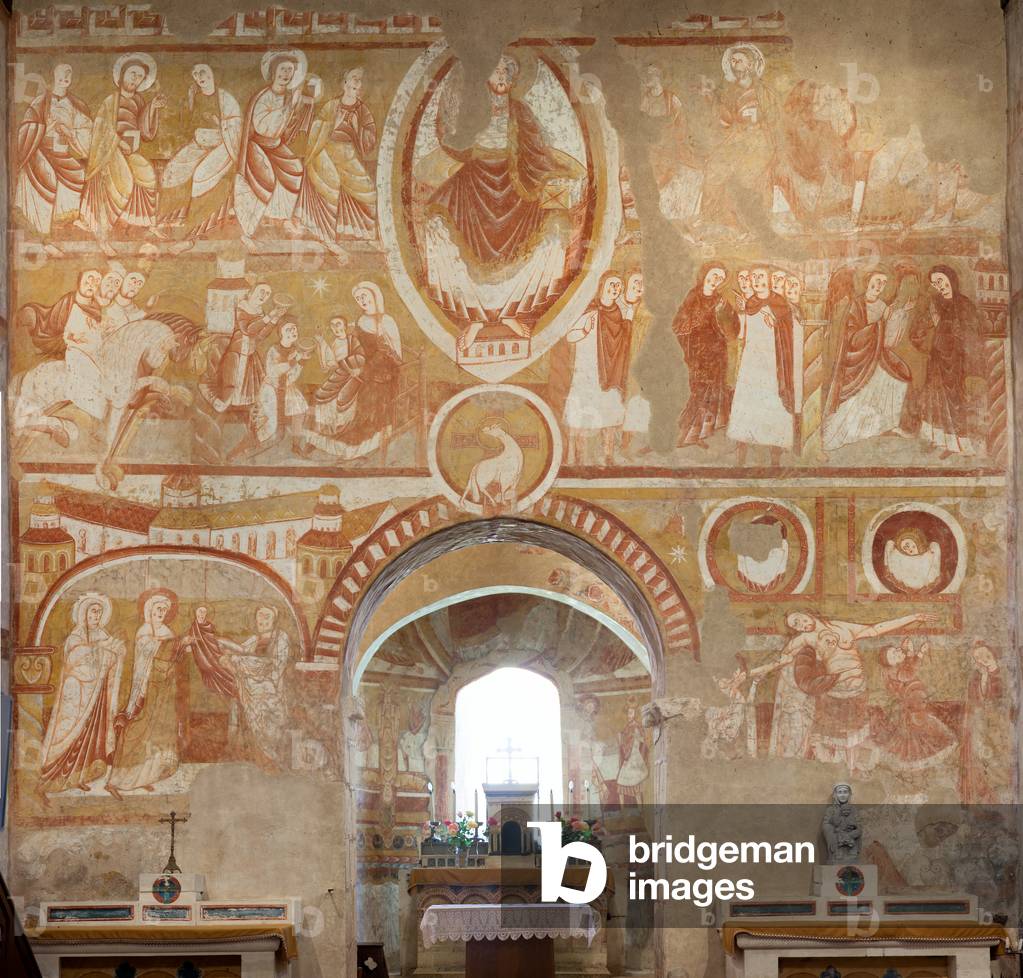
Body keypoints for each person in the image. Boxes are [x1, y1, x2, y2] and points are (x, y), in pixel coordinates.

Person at [419, 53, 582, 341]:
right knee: (434, 220)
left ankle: (513, 312)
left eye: (507, 70)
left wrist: (553, 172)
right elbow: (454, 142)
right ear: (486, 78)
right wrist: (447, 115)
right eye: (496, 71)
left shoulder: (520, 112)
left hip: (517, 184)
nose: (502, 76)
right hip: (472, 184)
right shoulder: (473, 111)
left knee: (557, 223)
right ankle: (473, 317)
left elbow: (537, 151)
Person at [300, 281, 402, 459]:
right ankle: (318, 439)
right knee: (324, 396)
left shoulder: (387, 321)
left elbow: (394, 356)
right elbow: (354, 345)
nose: (362, 300)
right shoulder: (361, 320)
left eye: (364, 296)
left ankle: (349, 447)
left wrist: (370, 365)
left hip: (379, 373)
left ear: (375, 295)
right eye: (358, 298)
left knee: (350, 399)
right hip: (358, 365)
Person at [38, 593, 126, 795]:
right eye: (93, 612)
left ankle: (80, 776)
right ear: (84, 614)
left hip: (96, 698)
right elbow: (73, 660)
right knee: (73, 734)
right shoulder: (75, 637)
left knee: (91, 737)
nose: (96, 616)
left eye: (99, 613)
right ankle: (61, 773)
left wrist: (117, 651)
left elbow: (113, 655)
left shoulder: (102, 635)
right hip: (77, 696)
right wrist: (97, 649)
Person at [79, 53, 166, 251]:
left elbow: (146, 132)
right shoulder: (110, 101)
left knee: (148, 175)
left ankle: (148, 223)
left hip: (129, 151)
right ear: (122, 75)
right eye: (133, 74)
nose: (136, 79)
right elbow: (101, 130)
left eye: (140, 77)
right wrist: (118, 143)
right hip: (110, 152)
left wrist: (153, 107)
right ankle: (103, 235)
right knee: (125, 181)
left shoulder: (138, 100)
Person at [822, 268, 913, 452]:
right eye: (877, 280)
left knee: (900, 377)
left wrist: (900, 314)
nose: (879, 285)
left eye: (883, 282)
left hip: (876, 355)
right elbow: (852, 337)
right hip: (857, 359)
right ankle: (852, 429)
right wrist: (877, 326)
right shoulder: (856, 305)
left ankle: (888, 423)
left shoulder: (882, 306)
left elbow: (888, 341)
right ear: (867, 281)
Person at [106, 589, 182, 798]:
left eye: (165, 610)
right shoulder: (144, 631)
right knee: (133, 731)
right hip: (143, 688)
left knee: (153, 733)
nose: (161, 613)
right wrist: (165, 645)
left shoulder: (168, 632)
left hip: (161, 690)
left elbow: (173, 659)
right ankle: (115, 781)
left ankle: (142, 778)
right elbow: (145, 653)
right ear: (149, 610)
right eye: (158, 609)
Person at [296, 66, 377, 250]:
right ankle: (326, 233)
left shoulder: (362, 109)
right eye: (354, 78)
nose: (357, 82)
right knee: (330, 185)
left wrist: (358, 128)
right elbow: (315, 128)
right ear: (345, 81)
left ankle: (361, 231)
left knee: (368, 192)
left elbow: (370, 137)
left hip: (347, 153)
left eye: (360, 79)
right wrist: (333, 124)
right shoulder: (332, 105)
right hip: (326, 151)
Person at [160, 63, 241, 246]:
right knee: (172, 170)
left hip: (224, 144)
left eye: (202, 72)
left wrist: (218, 123)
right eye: (195, 74)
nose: (199, 77)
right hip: (200, 142)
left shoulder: (225, 98)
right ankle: (168, 219)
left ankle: (193, 228)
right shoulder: (194, 96)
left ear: (213, 73)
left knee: (201, 177)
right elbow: (188, 126)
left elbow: (235, 126)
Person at [908, 264, 984, 458]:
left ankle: (959, 443)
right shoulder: (935, 303)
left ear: (951, 279)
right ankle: (939, 440)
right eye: (935, 283)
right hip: (937, 360)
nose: (939, 286)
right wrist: (930, 324)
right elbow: (917, 330)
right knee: (934, 401)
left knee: (955, 401)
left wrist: (945, 326)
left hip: (957, 362)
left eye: (941, 281)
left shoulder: (964, 305)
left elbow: (972, 335)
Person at [234, 51, 308, 245]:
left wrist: (298, 108)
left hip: (275, 145)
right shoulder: (265, 96)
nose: (286, 74)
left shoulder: (290, 96)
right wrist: (287, 109)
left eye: (290, 70)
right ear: (274, 71)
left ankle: (281, 217)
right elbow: (263, 125)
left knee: (296, 170)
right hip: (258, 144)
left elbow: (288, 129)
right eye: (283, 69)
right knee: (265, 181)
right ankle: (248, 231)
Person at [15, 63, 92, 243]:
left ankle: (67, 217)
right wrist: (44, 128)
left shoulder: (75, 104)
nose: (65, 77)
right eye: (61, 74)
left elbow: (87, 127)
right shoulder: (42, 101)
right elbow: (26, 127)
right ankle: (42, 229)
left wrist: (71, 132)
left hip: (61, 150)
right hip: (40, 150)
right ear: (54, 76)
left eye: (68, 74)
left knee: (78, 172)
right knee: (48, 176)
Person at [726, 266, 796, 463]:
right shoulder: (750, 303)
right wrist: (740, 312)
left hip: (773, 364)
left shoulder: (780, 304)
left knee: (773, 405)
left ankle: (775, 456)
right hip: (751, 363)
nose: (757, 280)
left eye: (761, 277)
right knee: (747, 404)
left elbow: (788, 333)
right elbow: (741, 334)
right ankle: (741, 455)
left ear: (769, 280)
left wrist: (776, 324)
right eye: (754, 277)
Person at [564, 271, 631, 466]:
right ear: (602, 286)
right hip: (588, 371)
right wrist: (584, 330)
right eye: (612, 284)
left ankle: (608, 456)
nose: (615, 289)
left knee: (609, 413)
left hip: (610, 372)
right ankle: (579, 458)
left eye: (618, 286)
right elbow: (570, 336)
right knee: (584, 415)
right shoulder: (590, 309)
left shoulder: (619, 312)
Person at [672, 263, 737, 448]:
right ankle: (686, 433)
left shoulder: (721, 301)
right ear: (705, 274)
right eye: (713, 275)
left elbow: (732, 326)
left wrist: (724, 313)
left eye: (720, 278)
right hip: (697, 353)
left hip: (717, 353)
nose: (715, 280)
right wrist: (695, 321)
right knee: (698, 392)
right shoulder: (694, 296)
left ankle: (699, 434)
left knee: (712, 393)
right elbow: (679, 322)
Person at [218, 606, 291, 766]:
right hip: (249, 690)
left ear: (274, 620)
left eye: (266, 617)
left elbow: (274, 665)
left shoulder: (280, 637)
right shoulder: (254, 639)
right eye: (260, 617)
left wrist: (238, 661)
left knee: (269, 725)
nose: (262, 621)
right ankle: (249, 760)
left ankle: (270, 760)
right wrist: (226, 649)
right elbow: (241, 650)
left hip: (269, 690)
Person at [229, 317, 309, 458]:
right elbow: (272, 372)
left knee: (300, 410)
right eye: (288, 329)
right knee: (272, 429)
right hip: (271, 389)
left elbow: (292, 376)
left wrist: (301, 363)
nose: (293, 331)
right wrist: (293, 361)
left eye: (295, 328)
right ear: (281, 333)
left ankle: (296, 446)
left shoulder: (296, 351)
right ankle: (240, 451)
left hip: (286, 388)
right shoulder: (274, 350)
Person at [875, 640, 955, 769]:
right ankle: (929, 750)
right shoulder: (895, 672)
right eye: (894, 655)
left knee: (920, 725)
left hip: (916, 699)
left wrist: (910, 652)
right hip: (914, 701)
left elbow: (907, 667)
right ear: (891, 664)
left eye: (895, 650)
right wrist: (919, 654)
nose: (898, 652)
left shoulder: (896, 667)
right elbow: (909, 673)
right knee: (921, 725)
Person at [206, 283, 286, 412]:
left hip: (249, 355)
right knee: (230, 385)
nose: (264, 295)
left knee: (253, 390)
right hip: (236, 354)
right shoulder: (242, 307)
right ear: (250, 293)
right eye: (261, 291)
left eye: (267, 294)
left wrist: (274, 319)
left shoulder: (261, 313)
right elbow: (247, 329)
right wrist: (270, 316)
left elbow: (260, 335)